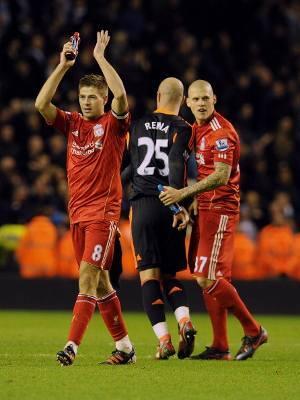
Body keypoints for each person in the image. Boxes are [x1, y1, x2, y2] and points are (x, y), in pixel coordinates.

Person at [35, 30, 136, 365]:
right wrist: (63, 66)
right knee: (103, 283)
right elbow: (41, 105)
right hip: (77, 214)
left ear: (103, 100)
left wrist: (101, 59)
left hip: (103, 215)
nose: (86, 101)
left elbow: (122, 97)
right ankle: (124, 348)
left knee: (88, 277)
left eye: (93, 97)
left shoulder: (113, 126)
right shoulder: (73, 123)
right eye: (83, 97)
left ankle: (71, 347)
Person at [160, 80, 268, 361]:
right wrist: (194, 200)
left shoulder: (222, 133)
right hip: (205, 207)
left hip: (221, 208)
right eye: (195, 99)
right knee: (210, 277)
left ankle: (254, 331)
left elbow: (221, 175)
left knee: (206, 278)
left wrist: (184, 193)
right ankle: (220, 345)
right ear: (188, 103)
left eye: (205, 98)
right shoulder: (196, 129)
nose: (201, 104)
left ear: (214, 99)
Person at [127, 77, 197, 359]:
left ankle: (165, 341)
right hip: (171, 202)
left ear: (158, 95)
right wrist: (178, 202)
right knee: (170, 275)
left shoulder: (138, 124)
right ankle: (185, 321)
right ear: (182, 101)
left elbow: (128, 167)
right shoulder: (184, 127)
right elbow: (177, 160)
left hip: (142, 205)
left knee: (148, 277)